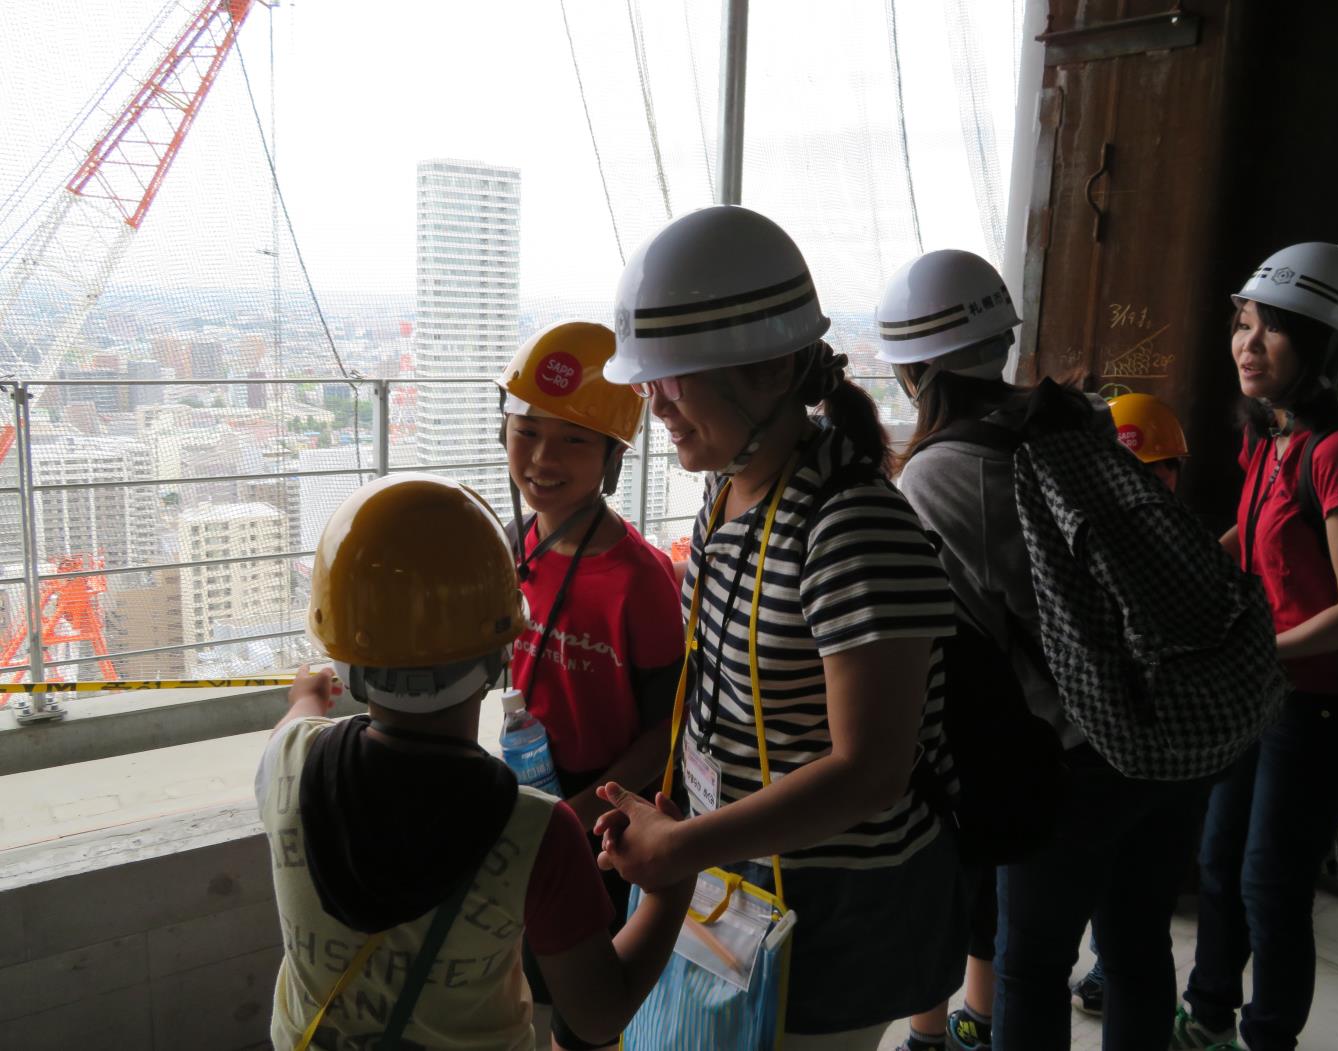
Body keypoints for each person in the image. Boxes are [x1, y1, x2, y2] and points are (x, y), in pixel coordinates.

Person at [595, 205, 969, 1047]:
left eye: (671, 375)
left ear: (765, 370)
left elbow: (870, 770)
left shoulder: (852, 527)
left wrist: (685, 842)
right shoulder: (730, 491)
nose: (652, 401)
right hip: (746, 877)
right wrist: (679, 817)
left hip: (836, 907)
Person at [876, 248, 1207, 1051]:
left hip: (1070, 754)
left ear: (914, 371)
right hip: (1164, 722)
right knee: (1134, 946)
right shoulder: (1080, 420)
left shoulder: (940, 472)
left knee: (1030, 965)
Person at [256, 472, 692, 1050]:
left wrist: (308, 698)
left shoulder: (290, 755)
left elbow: (295, 723)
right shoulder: (538, 830)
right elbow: (596, 1014)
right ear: (502, 652)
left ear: (344, 659)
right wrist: (671, 886)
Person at [1173, 243, 1338, 1051]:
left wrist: (1266, 650)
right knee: (1219, 859)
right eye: (1240, 323)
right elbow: (1254, 537)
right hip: (1265, 695)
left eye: (1268, 329)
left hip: (1323, 710)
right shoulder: (1269, 439)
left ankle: (1266, 1037)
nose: (1244, 343)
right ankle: (1204, 1017)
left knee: (1269, 882)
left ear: (1321, 344)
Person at [497, 321, 685, 1049]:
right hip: (531, 790)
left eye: (574, 439)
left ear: (611, 457)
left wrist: (582, 810)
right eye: (527, 432)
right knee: (529, 982)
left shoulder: (638, 577)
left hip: (600, 812)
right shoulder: (519, 545)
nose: (542, 459)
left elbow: (664, 727)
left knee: (585, 1010)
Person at [1062, 391, 1192, 1020]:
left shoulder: (1091, 552)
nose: (1152, 483)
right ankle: (1107, 971)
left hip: (1129, 766)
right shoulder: (1180, 551)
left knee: (1128, 927)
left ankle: (1108, 971)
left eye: (1161, 468)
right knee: (1136, 929)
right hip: (1156, 767)